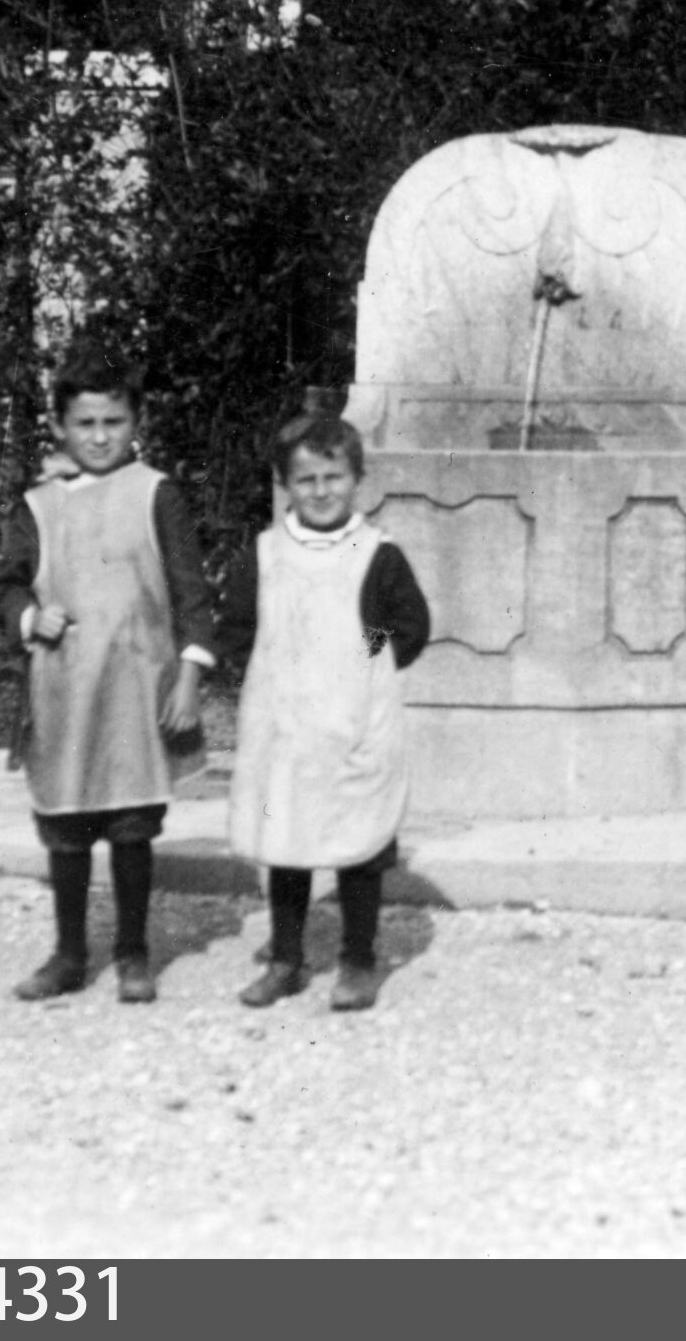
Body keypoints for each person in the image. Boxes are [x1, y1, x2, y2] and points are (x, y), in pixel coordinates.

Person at [0, 359, 213, 1003]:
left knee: (131, 822)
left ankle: (133, 953)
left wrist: (189, 678)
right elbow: (5, 588)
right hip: (64, 689)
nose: (98, 436)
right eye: (84, 423)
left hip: (137, 691)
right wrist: (30, 616)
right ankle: (68, 954)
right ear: (60, 427)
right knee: (66, 820)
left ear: (136, 422)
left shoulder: (156, 494)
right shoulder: (39, 505)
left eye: (113, 421)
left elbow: (192, 593)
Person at [211, 411, 431, 1014]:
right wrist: (271, 671)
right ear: (286, 485)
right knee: (288, 839)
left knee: (360, 843)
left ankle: (358, 959)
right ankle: (286, 959)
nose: (321, 491)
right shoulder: (265, 553)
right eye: (306, 480)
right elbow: (238, 628)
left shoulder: (378, 555)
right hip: (286, 726)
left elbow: (410, 626)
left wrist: (358, 655)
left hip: (356, 722)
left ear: (357, 479)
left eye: (333, 477)